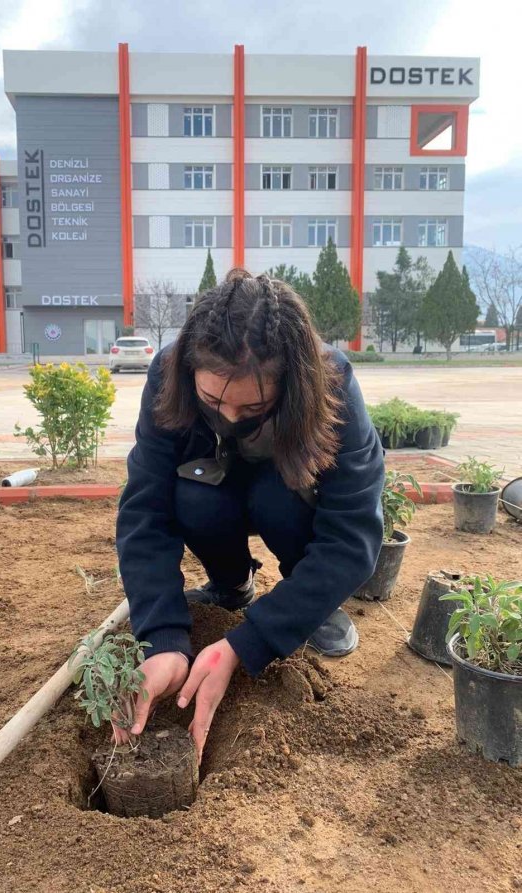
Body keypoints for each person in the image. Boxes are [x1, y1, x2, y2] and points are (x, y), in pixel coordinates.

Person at [116, 269, 384, 761]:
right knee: (191, 494)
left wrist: (250, 641)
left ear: (292, 384)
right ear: (191, 370)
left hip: (286, 498)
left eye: (253, 406)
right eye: (213, 401)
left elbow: (352, 538)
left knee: (278, 495)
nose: (231, 417)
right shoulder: (166, 375)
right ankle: (230, 584)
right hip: (213, 492)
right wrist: (161, 638)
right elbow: (144, 512)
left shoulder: (333, 387)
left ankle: (308, 606)